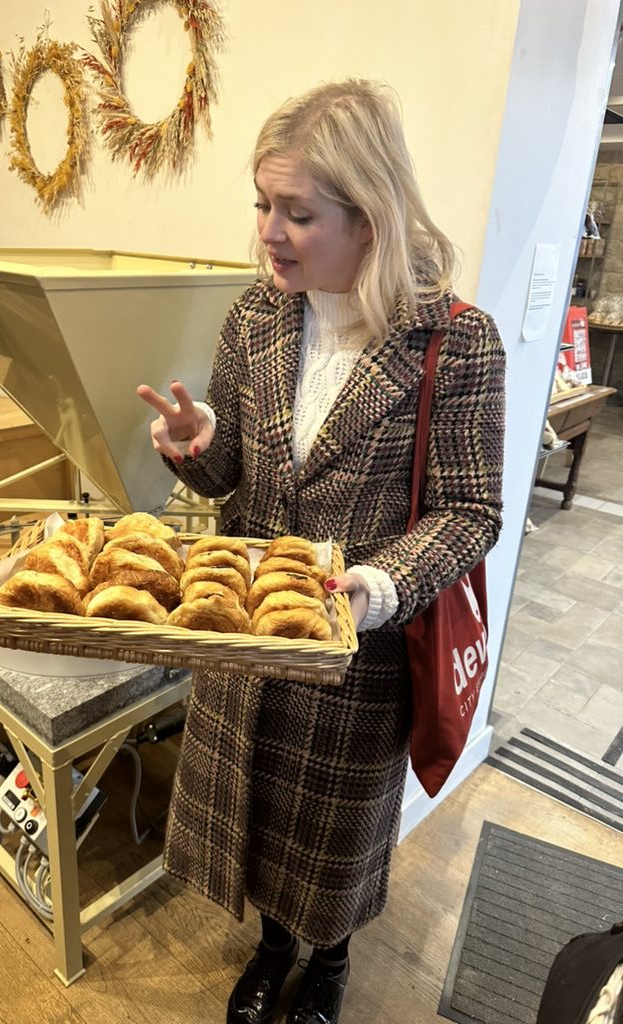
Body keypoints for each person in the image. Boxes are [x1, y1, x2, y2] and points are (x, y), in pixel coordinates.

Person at [137, 78, 506, 1024]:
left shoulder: (453, 345)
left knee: (329, 838)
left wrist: (381, 585)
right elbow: (232, 480)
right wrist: (196, 444)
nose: (268, 231)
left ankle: (329, 964)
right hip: (247, 639)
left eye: (297, 212)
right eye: (263, 204)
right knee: (256, 823)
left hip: (358, 650)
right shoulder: (256, 317)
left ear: (371, 216)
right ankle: (271, 948)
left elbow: (470, 512)